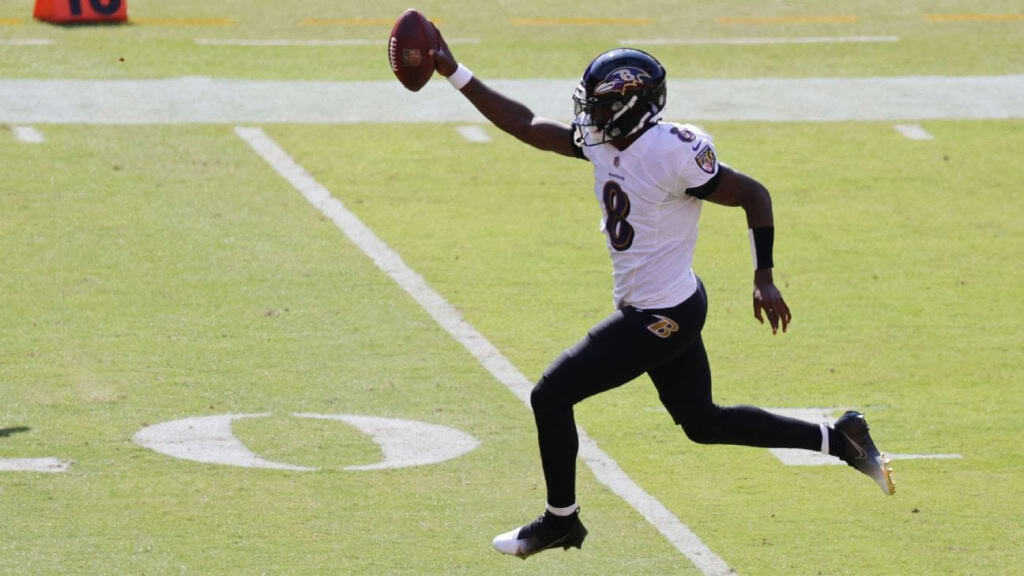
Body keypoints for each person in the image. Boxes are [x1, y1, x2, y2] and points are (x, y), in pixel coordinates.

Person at [425, 28, 895, 560]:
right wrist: (453, 71)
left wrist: (763, 275)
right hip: (668, 304)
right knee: (703, 423)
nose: (589, 117)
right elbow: (528, 126)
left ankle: (560, 520)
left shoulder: (673, 152)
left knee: (550, 395)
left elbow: (754, 195)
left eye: (599, 106)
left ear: (630, 106)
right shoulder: (605, 141)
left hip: (662, 315)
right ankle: (842, 439)